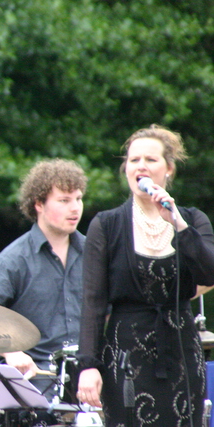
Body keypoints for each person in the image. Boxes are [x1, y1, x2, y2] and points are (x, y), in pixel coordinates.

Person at [76, 125, 214, 426]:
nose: (140, 165)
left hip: (181, 353)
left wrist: (177, 223)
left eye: (150, 159)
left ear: (169, 170)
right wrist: (87, 365)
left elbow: (209, 271)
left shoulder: (192, 220)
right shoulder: (107, 224)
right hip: (125, 357)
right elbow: (93, 301)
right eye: (133, 159)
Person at [0, 159, 87, 400]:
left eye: (78, 199)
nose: (75, 208)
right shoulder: (11, 261)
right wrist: (10, 351)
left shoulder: (95, 254)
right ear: (39, 204)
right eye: (64, 201)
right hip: (31, 382)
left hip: (87, 379)